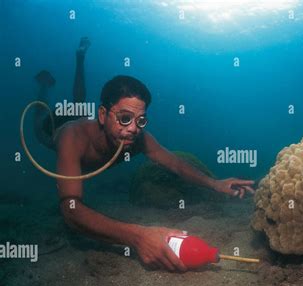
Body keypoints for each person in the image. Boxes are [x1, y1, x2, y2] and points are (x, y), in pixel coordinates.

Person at [34, 38, 255, 272]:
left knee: (78, 102)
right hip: (53, 127)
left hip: (86, 121)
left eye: (140, 120)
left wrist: (215, 183)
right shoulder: (72, 138)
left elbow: (176, 165)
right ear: (102, 114)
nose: (133, 128)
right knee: (39, 121)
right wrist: (137, 237)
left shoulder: (138, 139)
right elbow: (71, 211)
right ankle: (43, 89)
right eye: (125, 118)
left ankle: (80, 57)